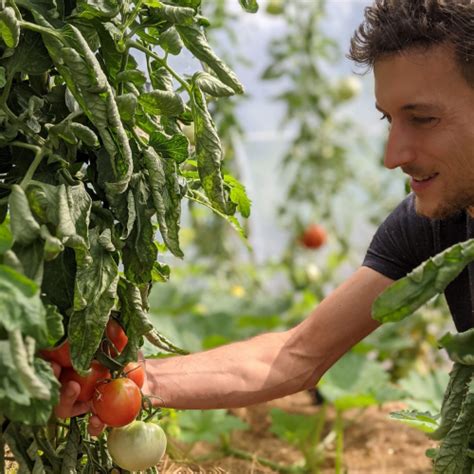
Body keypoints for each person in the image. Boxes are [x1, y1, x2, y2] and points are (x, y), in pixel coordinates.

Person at [55, 0, 474, 436]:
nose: (393, 157)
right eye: (388, 120)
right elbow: (296, 356)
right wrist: (127, 380)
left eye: (423, 119)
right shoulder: (431, 223)